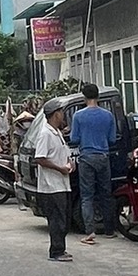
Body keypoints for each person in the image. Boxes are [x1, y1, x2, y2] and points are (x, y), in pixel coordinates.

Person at [67, 84, 118, 243]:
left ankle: (90, 232)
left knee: (87, 196)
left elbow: (74, 139)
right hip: (103, 157)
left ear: (84, 98)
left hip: (86, 158)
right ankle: (109, 230)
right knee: (106, 194)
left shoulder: (78, 116)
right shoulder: (108, 115)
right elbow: (112, 139)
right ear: (98, 97)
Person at [28, 102, 76, 259]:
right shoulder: (45, 134)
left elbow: (63, 153)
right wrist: (59, 168)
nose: (63, 115)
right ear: (56, 114)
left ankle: (60, 248)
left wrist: (70, 163)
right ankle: (56, 251)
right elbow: (40, 158)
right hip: (51, 186)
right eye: (61, 112)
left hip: (62, 184)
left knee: (64, 218)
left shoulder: (57, 132)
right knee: (57, 220)